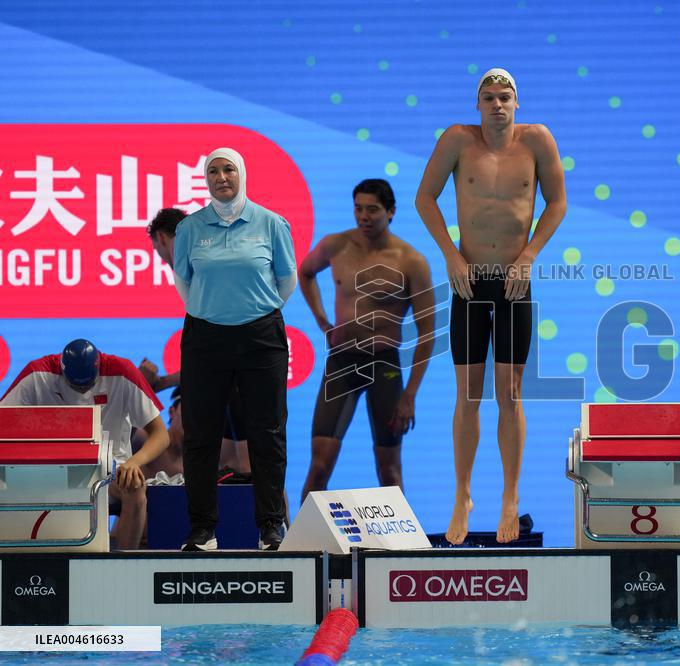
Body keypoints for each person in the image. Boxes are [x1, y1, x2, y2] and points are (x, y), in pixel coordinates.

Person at [415, 68, 567, 544]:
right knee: (468, 394)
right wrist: (450, 254)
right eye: (488, 98)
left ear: (517, 103)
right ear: (476, 104)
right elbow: (425, 198)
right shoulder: (458, 141)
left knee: (512, 393)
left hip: (514, 283)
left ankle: (510, 496)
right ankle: (461, 494)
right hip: (469, 281)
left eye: (505, 97)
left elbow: (558, 202)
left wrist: (529, 255)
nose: (497, 105)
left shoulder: (537, 140)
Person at [171, 147, 297, 551]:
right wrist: (215, 312)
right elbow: (184, 283)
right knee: (201, 436)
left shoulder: (271, 223)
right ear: (204, 179)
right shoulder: (190, 228)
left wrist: (252, 310)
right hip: (206, 337)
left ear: (242, 173)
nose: (221, 177)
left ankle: (271, 527)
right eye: (213, 171)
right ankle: (203, 529)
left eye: (229, 169)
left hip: (261, 337)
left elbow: (286, 280)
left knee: (268, 433)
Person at [298, 179, 435, 501]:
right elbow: (305, 272)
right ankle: (300, 548)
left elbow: (427, 331)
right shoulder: (336, 245)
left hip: (384, 367)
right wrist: (322, 322)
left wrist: (410, 394)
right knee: (319, 466)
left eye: (372, 209)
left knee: (390, 472)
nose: (364, 216)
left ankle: (399, 550)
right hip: (342, 363)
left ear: (391, 212)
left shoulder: (410, 261)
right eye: (358, 209)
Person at [0, 339, 169, 550]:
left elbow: (161, 434)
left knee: (135, 487)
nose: (81, 391)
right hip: (50, 469)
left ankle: (124, 564)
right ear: (62, 369)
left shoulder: (123, 372)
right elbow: (4, 424)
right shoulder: (38, 373)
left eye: (88, 384)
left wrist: (134, 461)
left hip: (110, 467)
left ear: (98, 367)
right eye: (74, 385)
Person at [144, 207, 251, 474]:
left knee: (253, 468)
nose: (161, 258)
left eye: (157, 249)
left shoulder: (200, 268)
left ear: (161, 238)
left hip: (242, 376)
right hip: (230, 378)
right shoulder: (202, 264)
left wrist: (162, 383)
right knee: (229, 466)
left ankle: (280, 518)